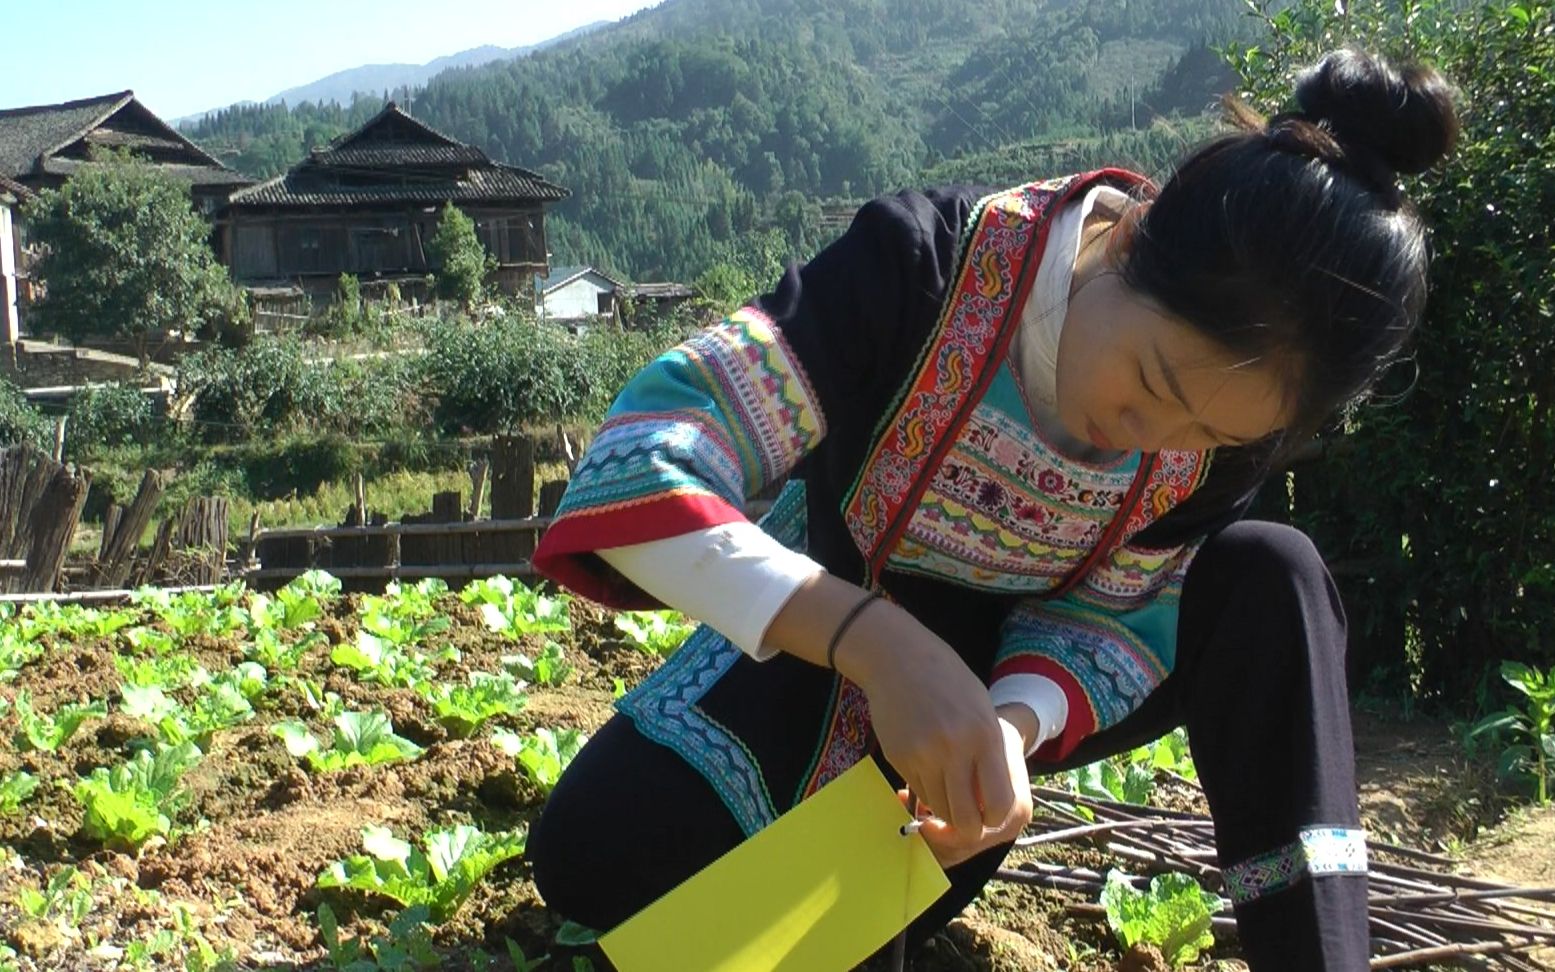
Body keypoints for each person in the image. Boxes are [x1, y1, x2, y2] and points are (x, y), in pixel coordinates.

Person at [527, 48, 1459, 971]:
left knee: (1270, 572)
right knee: (595, 858)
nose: (1152, 437)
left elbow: (1116, 605)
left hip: (992, 699)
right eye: (1151, 380)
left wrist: (1005, 731)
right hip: (819, 623)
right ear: (1129, 239)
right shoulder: (919, 267)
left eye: (1209, 431)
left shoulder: (1218, 433)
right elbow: (645, 458)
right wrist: (876, 643)